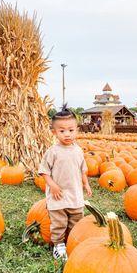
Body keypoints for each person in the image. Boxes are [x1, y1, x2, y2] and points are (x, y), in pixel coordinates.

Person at [38, 105, 92, 261]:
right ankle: (59, 245)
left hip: (75, 195)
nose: (67, 134)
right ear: (54, 132)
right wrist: (52, 185)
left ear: (76, 130)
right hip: (58, 195)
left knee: (76, 221)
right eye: (62, 131)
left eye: (71, 130)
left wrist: (86, 184)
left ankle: (72, 242)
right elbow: (44, 171)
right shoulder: (52, 152)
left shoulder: (78, 151)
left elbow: (83, 169)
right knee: (59, 222)